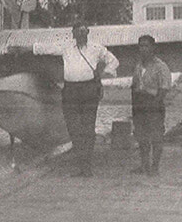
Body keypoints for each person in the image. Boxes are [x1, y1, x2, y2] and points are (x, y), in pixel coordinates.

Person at [33, 21, 119, 177]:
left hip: (89, 90)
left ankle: (86, 166)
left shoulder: (96, 48)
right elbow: (45, 48)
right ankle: (81, 160)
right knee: (73, 127)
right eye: (77, 32)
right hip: (71, 90)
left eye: (83, 31)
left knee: (88, 126)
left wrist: (104, 72)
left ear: (88, 32)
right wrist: (23, 48)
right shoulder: (66, 47)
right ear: (72, 34)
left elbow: (113, 61)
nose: (81, 34)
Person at [130, 35, 171, 177]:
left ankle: (155, 167)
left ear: (153, 48)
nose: (143, 49)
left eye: (146, 46)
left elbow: (164, 88)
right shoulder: (138, 65)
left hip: (154, 102)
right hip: (139, 103)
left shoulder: (161, 66)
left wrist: (155, 104)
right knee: (141, 135)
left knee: (156, 136)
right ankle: (144, 165)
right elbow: (135, 85)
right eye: (141, 46)